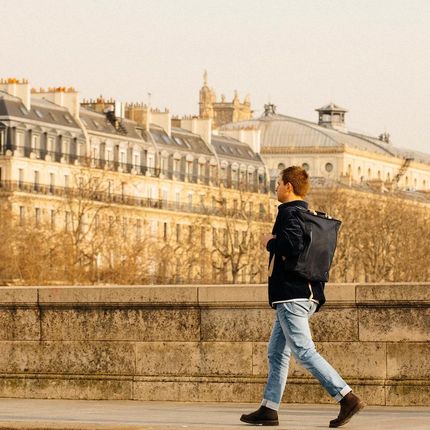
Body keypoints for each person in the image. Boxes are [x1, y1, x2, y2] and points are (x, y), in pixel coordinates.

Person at [240, 166, 364, 428]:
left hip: (291, 295)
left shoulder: (289, 213)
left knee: (304, 351)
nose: (275, 187)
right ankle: (269, 408)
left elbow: (292, 245)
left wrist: (269, 242)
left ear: (288, 186)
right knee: (276, 352)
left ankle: (346, 397)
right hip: (305, 293)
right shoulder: (306, 214)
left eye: (278, 183)